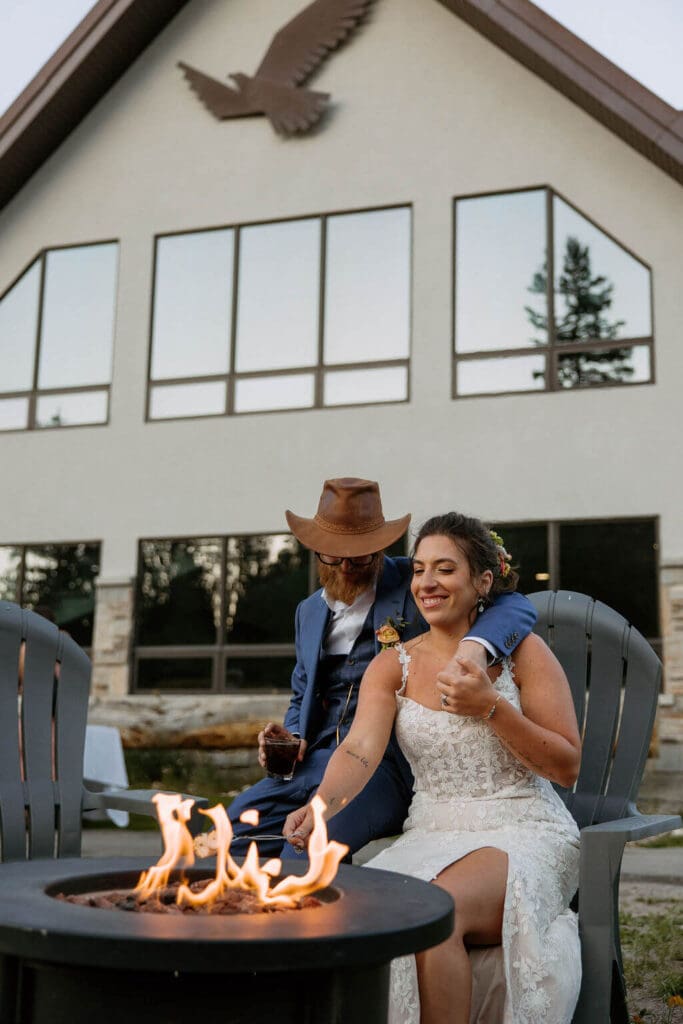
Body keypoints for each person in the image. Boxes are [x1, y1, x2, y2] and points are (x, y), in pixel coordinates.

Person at [284, 512, 582, 1024]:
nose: (426, 583)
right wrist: (319, 807)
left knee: (435, 909)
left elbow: (567, 766)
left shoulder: (523, 654)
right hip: (431, 833)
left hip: (522, 829)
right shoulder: (393, 664)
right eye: (420, 569)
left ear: (482, 581)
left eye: (445, 570)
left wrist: (492, 707)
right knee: (352, 908)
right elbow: (358, 751)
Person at [228, 480, 537, 860]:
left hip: (385, 765)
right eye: (332, 555)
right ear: (316, 550)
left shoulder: (419, 581)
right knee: (232, 834)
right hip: (311, 763)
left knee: (306, 849)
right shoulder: (307, 612)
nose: (344, 565)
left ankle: (323, 916)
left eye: (358, 556)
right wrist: (292, 735)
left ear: (379, 549)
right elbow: (302, 689)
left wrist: (474, 650)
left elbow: (515, 606)